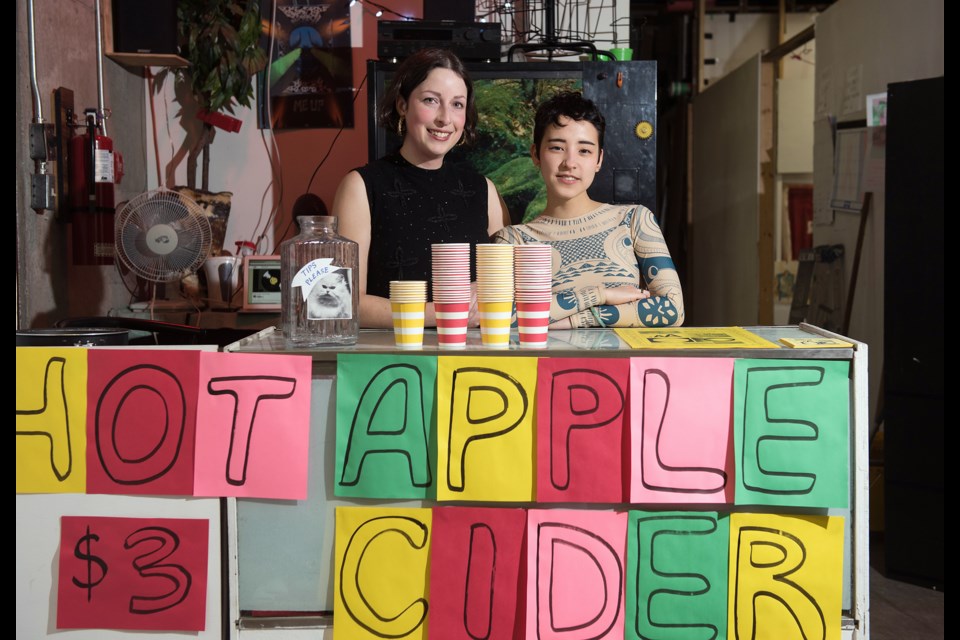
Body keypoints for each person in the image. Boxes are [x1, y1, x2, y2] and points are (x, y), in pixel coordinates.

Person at [333, 48, 510, 328]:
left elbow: (504, 289)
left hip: (474, 354)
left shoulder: (483, 190)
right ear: (403, 105)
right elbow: (343, 301)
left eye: (457, 105)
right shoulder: (361, 186)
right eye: (431, 100)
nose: (444, 118)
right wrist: (440, 313)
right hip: (388, 359)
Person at [493, 91, 684, 328]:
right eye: (556, 148)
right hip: (548, 365)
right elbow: (500, 318)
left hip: (627, 365)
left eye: (584, 150)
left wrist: (573, 317)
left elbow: (672, 308)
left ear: (599, 160)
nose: (570, 163)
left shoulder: (634, 220)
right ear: (535, 154)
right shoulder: (513, 241)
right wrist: (599, 295)